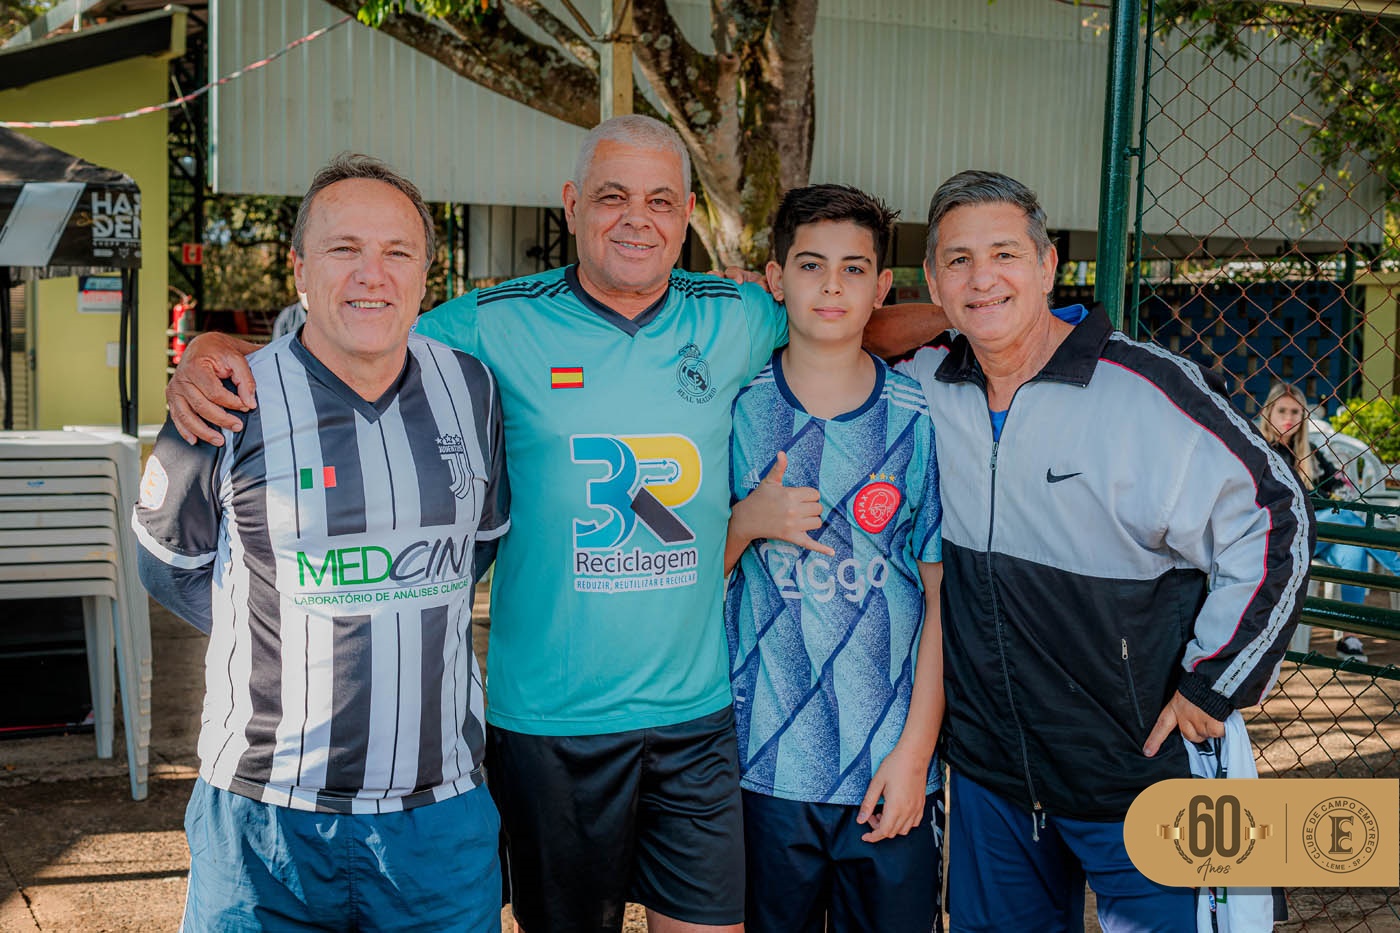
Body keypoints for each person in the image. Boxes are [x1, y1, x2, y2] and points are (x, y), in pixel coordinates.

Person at [162, 116, 951, 933]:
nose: (636, 219)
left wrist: (976, 325)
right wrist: (219, 348)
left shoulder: (740, 314)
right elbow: (353, 328)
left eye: (659, 200)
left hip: (697, 718)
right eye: (612, 197)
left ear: (687, 214)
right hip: (549, 725)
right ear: (572, 205)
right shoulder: (492, 322)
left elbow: (849, 323)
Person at [895, 170, 1313, 932]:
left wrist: (1215, 679)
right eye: (958, 261)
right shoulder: (926, 381)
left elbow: (1275, 513)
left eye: (1004, 254)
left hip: (1139, 772)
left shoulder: (1144, 390)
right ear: (931, 279)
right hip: (993, 776)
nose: (983, 278)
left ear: (1048, 264)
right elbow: (831, 327)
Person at [132, 155, 508, 932]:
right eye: (344, 249)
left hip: (439, 821)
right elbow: (168, 569)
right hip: (264, 822)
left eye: (398, 251)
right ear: (300, 269)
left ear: (426, 275)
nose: (373, 273)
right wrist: (290, 628)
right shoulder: (225, 398)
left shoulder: (472, 390)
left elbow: (476, 548)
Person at [722, 185, 945, 932]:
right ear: (775, 278)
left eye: (854, 269)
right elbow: (687, 581)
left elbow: (942, 600)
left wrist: (916, 755)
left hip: (888, 770)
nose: (831, 286)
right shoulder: (735, 410)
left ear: (881, 288)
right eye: (811, 265)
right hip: (763, 768)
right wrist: (745, 523)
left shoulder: (917, 419)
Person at [1257, 380, 1399, 663]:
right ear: (1268, 412)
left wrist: (1335, 493)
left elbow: (1338, 488)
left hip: (1319, 535)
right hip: (1280, 535)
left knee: (1353, 549)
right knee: (1347, 521)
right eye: (1282, 410)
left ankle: (1350, 638)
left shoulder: (1310, 451)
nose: (1288, 418)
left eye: (1295, 412)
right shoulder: (1259, 450)